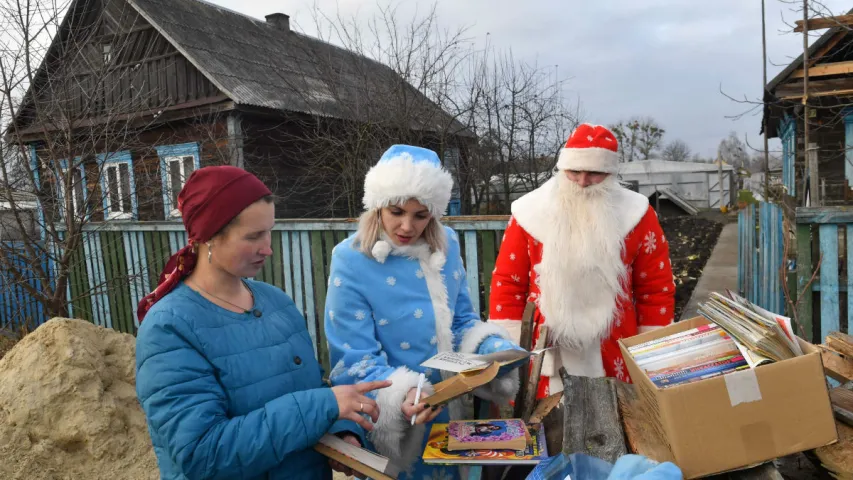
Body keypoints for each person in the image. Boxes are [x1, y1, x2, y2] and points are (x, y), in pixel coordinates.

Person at [134, 165, 390, 480]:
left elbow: (309, 389)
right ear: (209, 236)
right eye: (254, 236)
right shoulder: (169, 328)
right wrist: (323, 407)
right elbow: (202, 454)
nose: (268, 247)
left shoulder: (275, 302)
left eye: (269, 230)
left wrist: (341, 429)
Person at [323, 145, 522, 478]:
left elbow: (461, 320)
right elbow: (352, 356)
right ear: (377, 205)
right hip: (395, 422)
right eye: (396, 211)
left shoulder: (447, 243)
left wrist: (492, 351)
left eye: (420, 215)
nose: (406, 226)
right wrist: (403, 394)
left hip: (452, 418)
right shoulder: (351, 258)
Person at [487, 124, 676, 398]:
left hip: (614, 343)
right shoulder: (529, 213)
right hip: (546, 347)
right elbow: (508, 282)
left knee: (614, 422)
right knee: (547, 426)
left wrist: (653, 350)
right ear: (563, 169)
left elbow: (655, 288)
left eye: (594, 173)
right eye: (574, 172)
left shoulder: (637, 216)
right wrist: (508, 343)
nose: (583, 181)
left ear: (610, 173)